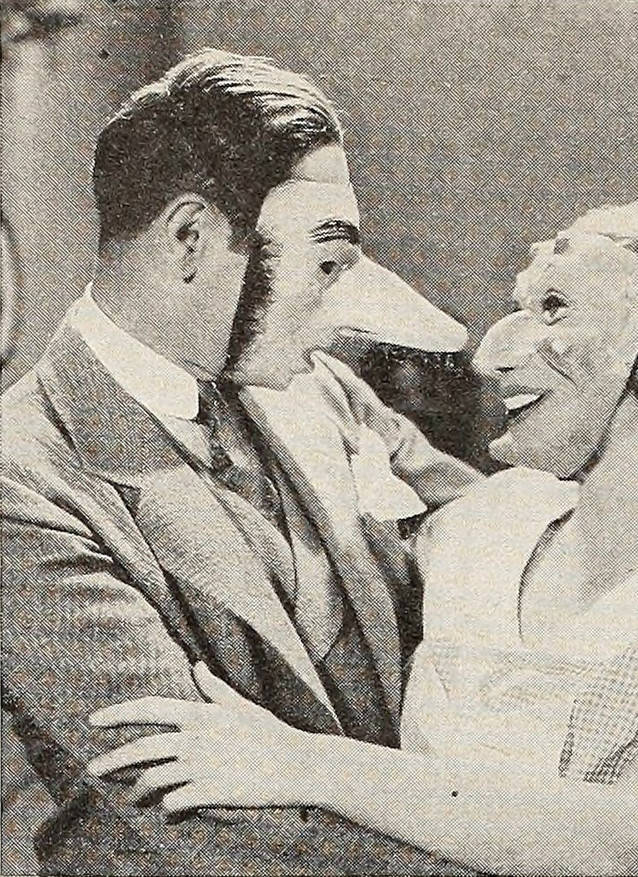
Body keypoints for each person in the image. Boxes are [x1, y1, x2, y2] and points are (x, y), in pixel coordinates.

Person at [90, 206, 638, 875]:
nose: (491, 359)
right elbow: (324, 459)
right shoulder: (484, 523)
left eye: (554, 307)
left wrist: (301, 762)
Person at [1, 49, 483, 876]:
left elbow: (492, 530)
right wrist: (540, 845)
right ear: (190, 237)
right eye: (326, 264)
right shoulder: (23, 476)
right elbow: (208, 822)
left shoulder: (317, 388)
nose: (344, 315)